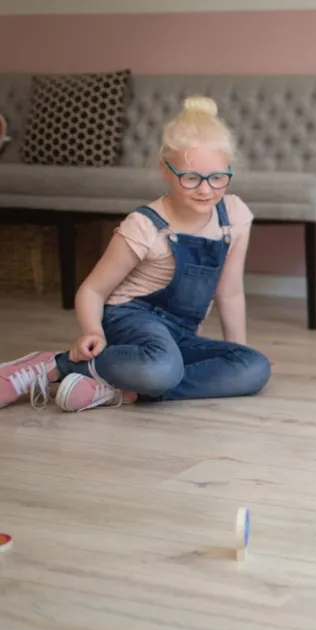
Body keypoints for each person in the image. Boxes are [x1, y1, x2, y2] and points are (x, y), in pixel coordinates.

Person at [0, 95, 271, 412]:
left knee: (253, 367)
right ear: (165, 170)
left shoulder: (234, 217)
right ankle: (57, 365)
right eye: (191, 177)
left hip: (178, 334)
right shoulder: (144, 226)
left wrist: (233, 351)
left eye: (218, 177)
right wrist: (92, 331)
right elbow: (92, 289)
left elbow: (230, 293)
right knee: (163, 367)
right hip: (129, 320)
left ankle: (119, 390)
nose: (206, 189)